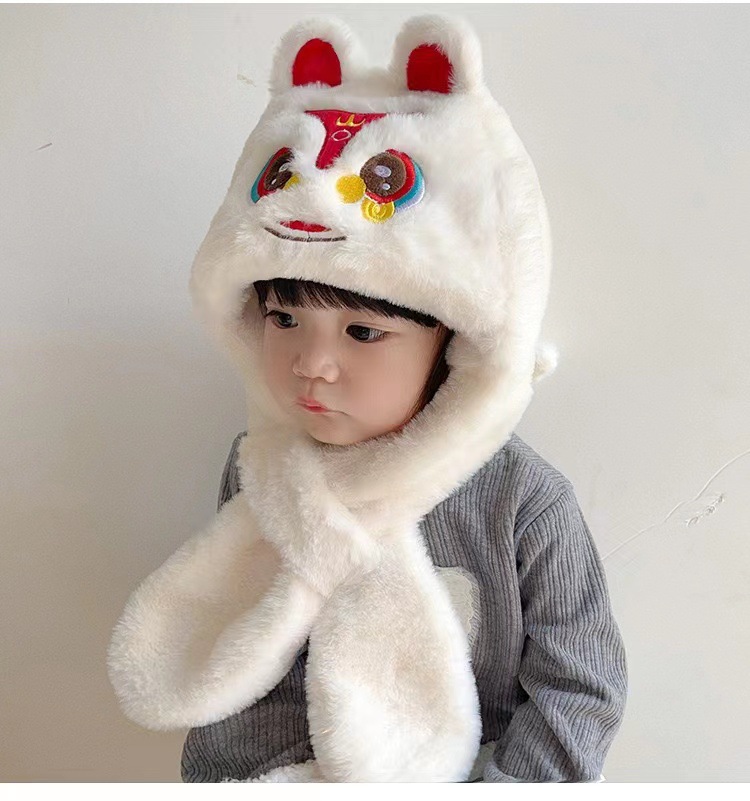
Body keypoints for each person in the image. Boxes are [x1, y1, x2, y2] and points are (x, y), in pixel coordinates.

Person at [107, 14, 628, 783]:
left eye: (362, 332)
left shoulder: (523, 498)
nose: (312, 365)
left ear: (452, 342)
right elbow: (253, 659)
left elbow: (580, 686)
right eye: (284, 319)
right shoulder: (262, 468)